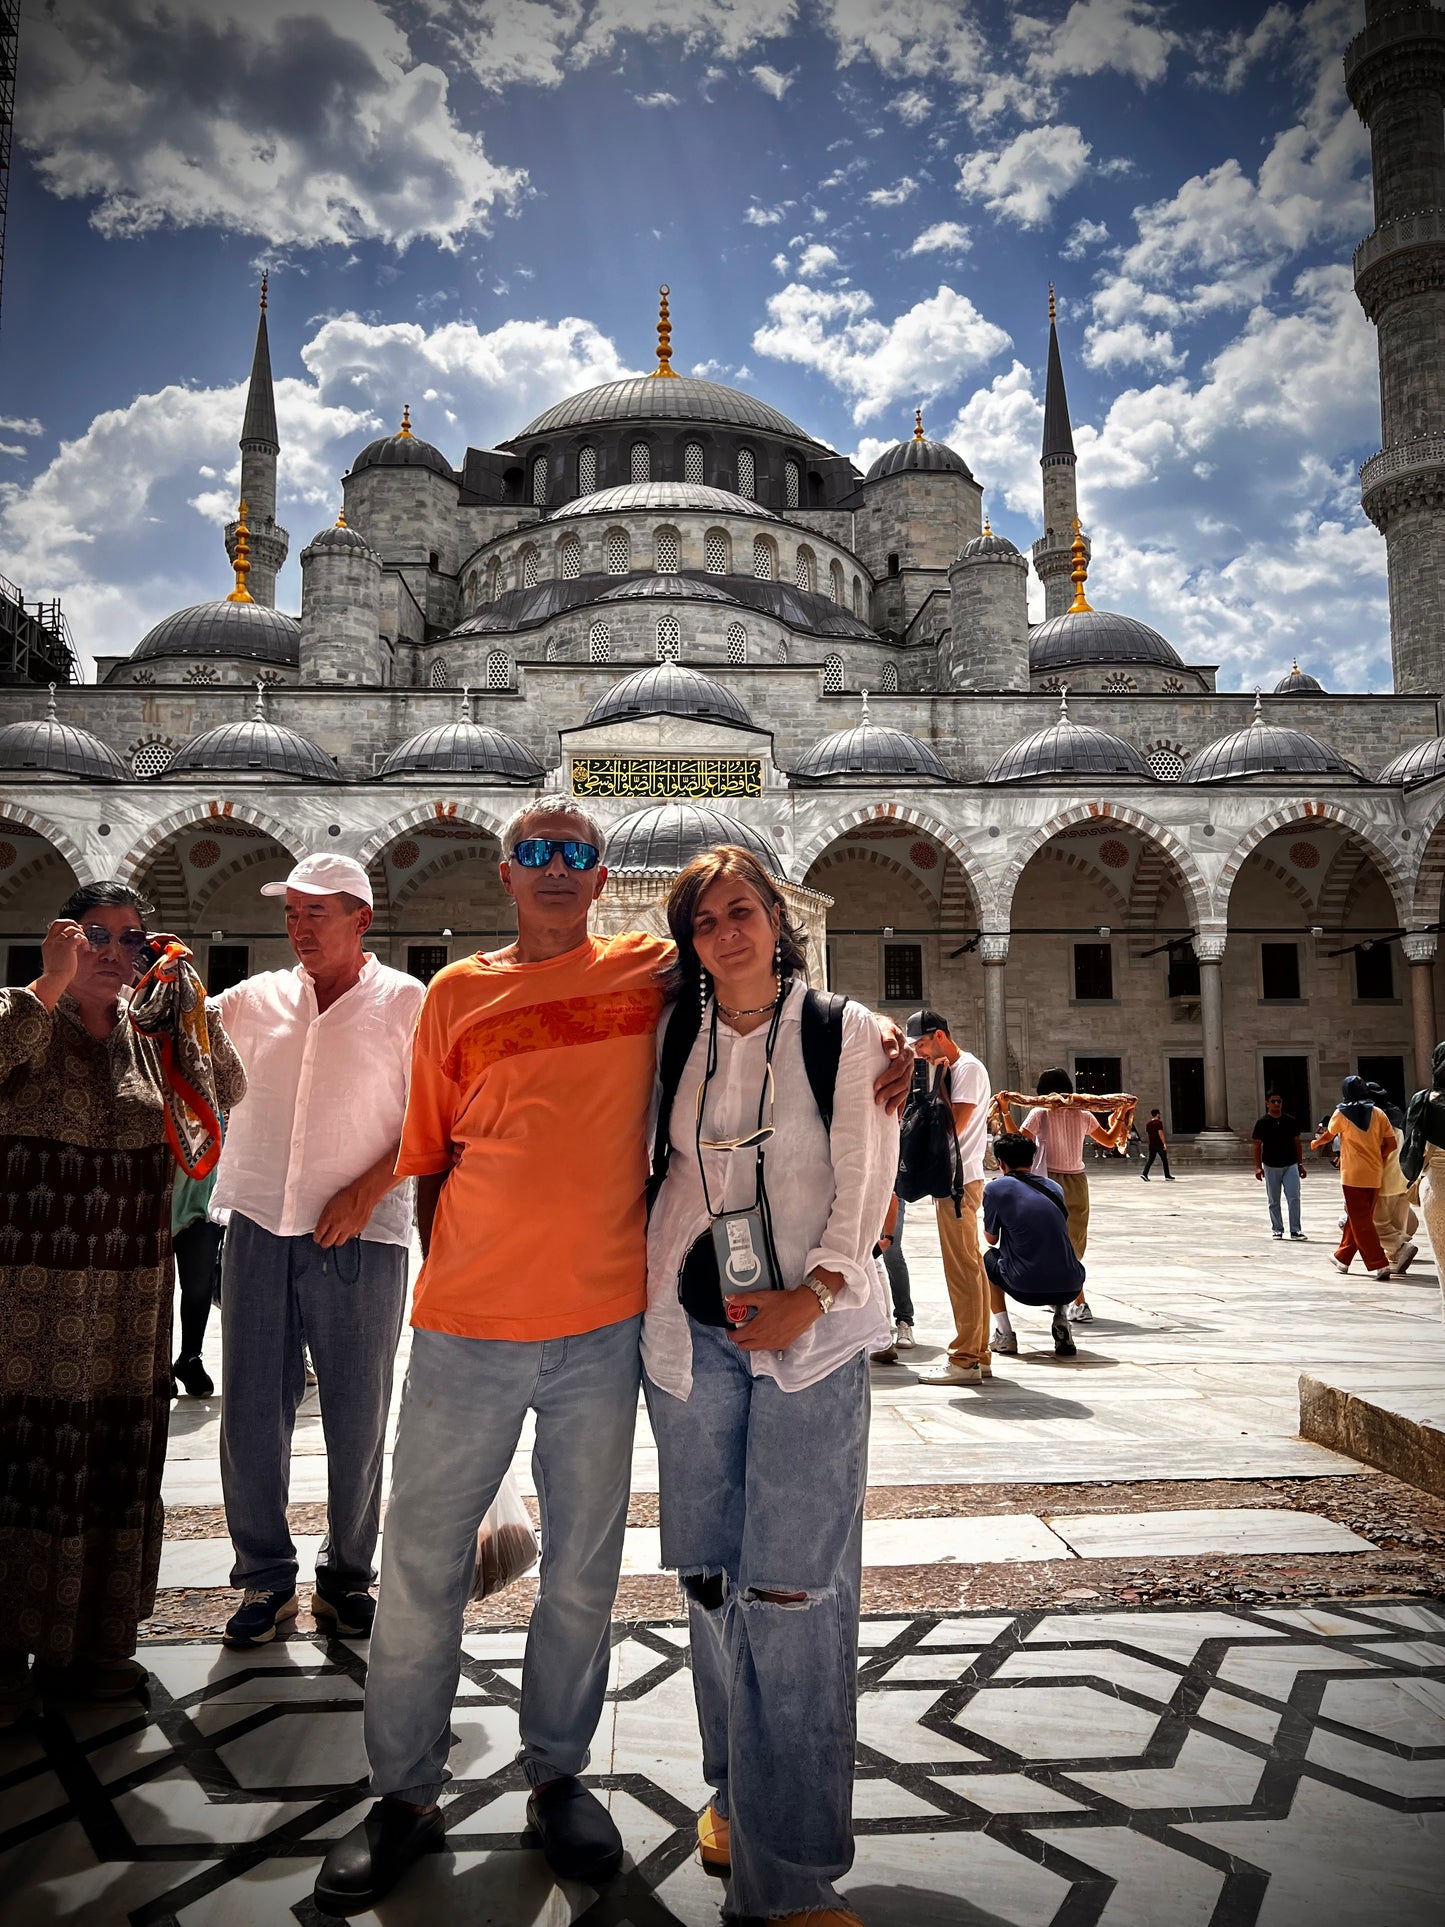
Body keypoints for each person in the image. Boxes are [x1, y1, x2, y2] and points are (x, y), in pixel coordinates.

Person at [312, 808, 913, 1918]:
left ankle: (557, 1775)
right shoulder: (456, 994)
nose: (553, 870)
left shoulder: (649, 978)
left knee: (585, 1576)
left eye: (573, 855)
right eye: (532, 854)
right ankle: (402, 1794)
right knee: (419, 1572)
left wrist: (901, 1047)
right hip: (472, 1327)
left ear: (600, 879)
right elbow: (434, 1150)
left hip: (602, 1332)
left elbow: (794, 1024)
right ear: (505, 874)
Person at [642, 846, 897, 1927]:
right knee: (710, 1577)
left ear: (778, 917)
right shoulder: (671, 1038)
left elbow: (864, 1172)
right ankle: (730, 1792)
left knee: (791, 1593)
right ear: (688, 943)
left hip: (809, 1342)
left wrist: (819, 1289)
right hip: (687, 1340)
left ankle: (788, 1879)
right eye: (703, 922)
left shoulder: (844, 1032)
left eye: (741, 910)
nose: (725, 932)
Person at [0, 883, 245, 1724]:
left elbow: (226, 1094)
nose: (113, 950)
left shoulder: (151, 1036)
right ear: (61, 936)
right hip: (25, 1300)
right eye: (93, 934)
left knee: (109, 1460)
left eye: (130, 937)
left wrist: (188, 1009)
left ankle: (97, 1645)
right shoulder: (21, 1011)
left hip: (131, 1297)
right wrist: (47, 984)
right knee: (21, 1459)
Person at [209, 854, 424, 1650]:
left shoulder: (406, 1002)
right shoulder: (255, 998)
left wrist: (366, 1188)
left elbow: (435, 1115)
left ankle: (346, 1576)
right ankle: (264, 1579)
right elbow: (172, 1028)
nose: (301, 928)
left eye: (318, 913)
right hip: (262, 1220)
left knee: (358, 1411)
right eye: (293, 913)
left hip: (361, 1233)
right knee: (251, 1411)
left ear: (360, 920)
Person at [907, 1009, 993, 1388]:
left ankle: (965, 1359)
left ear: (939, 1035)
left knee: (963, 1273)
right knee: (970, 1269)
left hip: (959, 1183)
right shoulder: (952, 1069)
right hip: (958, 1181)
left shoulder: (968, 1069)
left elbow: (953, 1125)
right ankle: (980, 1355)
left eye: (923, 1044)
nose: (921, 1052)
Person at [1021, 1070, 1115, 1323]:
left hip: (1048, 1180)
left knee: (1052, 1242)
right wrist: (1121, 1116)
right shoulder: (1083, 1114)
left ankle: (1077, 1300)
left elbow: (1020, 1142)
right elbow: (1109, 1141)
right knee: (1073, 1242)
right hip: (1077, 1181)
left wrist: (1005, 1115)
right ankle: (1070, 1299)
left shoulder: (1039, 1113)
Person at [983, 1133, 1086, 1359]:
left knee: (988, 1259)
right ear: (1032, 1159)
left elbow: (991, 1239)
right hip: (1072, 1285)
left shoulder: (995, 1189)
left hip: (1026, 1287)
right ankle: (1061, 1317)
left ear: (1000, 1163)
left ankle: (1005, 1334)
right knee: (1053, 1254)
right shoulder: (1054, 1187)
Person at [1310, 1077, 1397, 1279]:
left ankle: (1379, 1263)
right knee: (1359, 1217)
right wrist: (1380, 1158)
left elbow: (1328, 1135)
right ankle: (1343, 1257)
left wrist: (1316, 1144)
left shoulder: (1341, 1113)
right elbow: (1391, 1144)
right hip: (1375, 1174)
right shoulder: (1378, 1113)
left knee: (1361, 1221)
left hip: (1352, 1176)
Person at [1399, 1044, 1445, 1315]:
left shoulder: (1424, 1099)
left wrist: (1411, 1175)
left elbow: (1411, 1150)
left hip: (1438, 1184)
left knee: (1443, 1257)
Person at [172, 1161, 223, 1398]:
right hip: (153, 1199)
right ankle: (157, 1366)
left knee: (198, 1286)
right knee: (155, 1287)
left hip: (202, 1203)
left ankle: (190, 1358)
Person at [1366, 1082, 1418, 1277]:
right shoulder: (1398, 1115)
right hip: (1404, 1179)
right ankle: (1395, 1259)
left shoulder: (1377, 1120)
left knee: (1375, 1223)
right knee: (1397, 1224)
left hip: (1386, 1181)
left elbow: (1378, 1153)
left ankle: (1400, 1247)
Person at [1251, 1092, 1309, 1240]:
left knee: (1294, 1197)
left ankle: (1295, 1230)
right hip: (1271, 1165)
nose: (1276, 1104)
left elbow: (1297, 1143)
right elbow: (1257, 1146)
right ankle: (1277, 1228)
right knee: (1273, 1199)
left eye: (1279, 1101)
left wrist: (1300, 1165)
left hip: (1290, 1164)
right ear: (1267, 1104)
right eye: (1273, 1101)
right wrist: (1258, 1167)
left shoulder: (1290, 1121)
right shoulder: (1262, 1122)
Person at [871, 1194, 913, 1363]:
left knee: (890, 1255)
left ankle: (902, 1321)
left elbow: (891, 1197)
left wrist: (888, 1237)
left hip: (884, 1196)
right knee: (872, 1261)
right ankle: (882, 1336)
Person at [1140, 1108, 1173, 1181]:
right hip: (1158, 1144)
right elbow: (1160, 1133)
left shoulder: (1148, 1124)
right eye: (1159, 1114)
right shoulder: (1158, 1123)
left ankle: (1144, 1174)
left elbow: (1148, 1134)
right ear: (1157, 1114)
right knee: (1164, 1159)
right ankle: (1167, 1176)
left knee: (1150, 1160)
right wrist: (1164, 1143)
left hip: (1151, 1144)